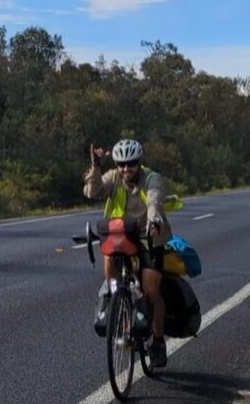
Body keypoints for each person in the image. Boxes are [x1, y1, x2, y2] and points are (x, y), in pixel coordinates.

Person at [83, 138, 172, 368]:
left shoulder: (152, 178)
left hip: (148, 236)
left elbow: (154, 200)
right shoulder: (113, 177)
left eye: (130, 164)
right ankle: (117, 303)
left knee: (151, 290)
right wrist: (95, 166)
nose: (125, 169)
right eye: (121, 164)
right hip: (121, 236)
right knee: (111, 269)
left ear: (138, 163)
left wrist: (153, 221)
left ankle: (158, 342)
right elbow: (92, 192)